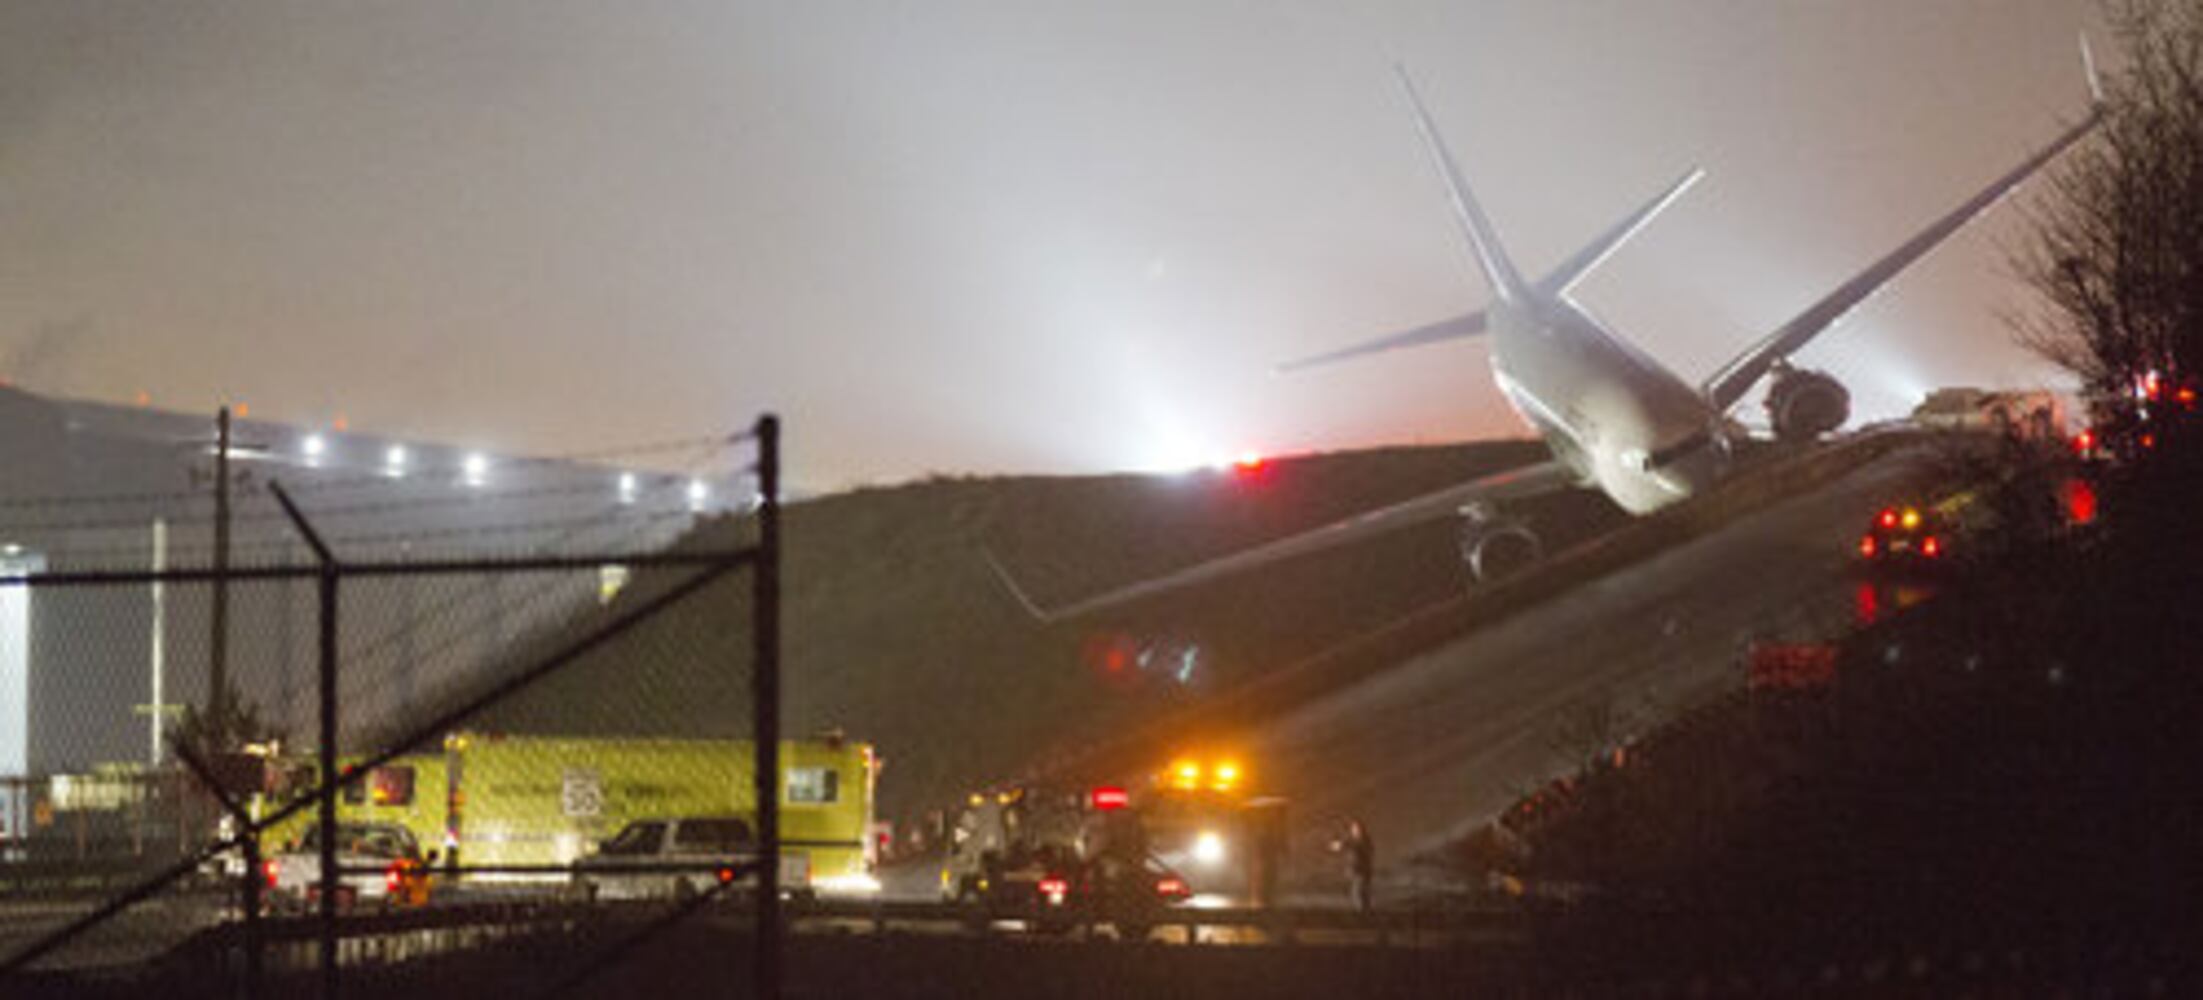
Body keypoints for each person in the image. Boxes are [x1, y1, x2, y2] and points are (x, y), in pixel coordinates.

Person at [1329, 818, 1374, 912]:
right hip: (1358, 871)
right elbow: (1347, 846)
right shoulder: (1357, 840)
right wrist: (1338, 845)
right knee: (1357, 893)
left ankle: (1364, 913)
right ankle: (1363, 913)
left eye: (1355, 829)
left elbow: (1353, 847)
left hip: (1362, 871)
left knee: (1360, 893)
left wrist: (1340, 845)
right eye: (1353, 829)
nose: (1353, 831)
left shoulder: (1363, 841)